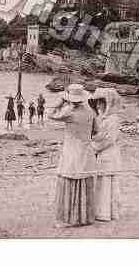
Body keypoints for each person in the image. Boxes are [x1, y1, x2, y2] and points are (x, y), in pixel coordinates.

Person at [49, 84, 97, 227]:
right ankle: (84, 217)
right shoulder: (90, 111)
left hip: (71, 150)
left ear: (70, 98)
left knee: (69, 181)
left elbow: (51, 115)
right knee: (84, 181)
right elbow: (95, 131)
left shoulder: (69, 112)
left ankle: (69, 218)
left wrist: (60, 102)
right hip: (86, 150)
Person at [90, 88, 122, 222]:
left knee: (108, 182)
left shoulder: (113, 119)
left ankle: (108, 213)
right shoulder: (99, 118)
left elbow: (110, 139)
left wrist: (94, 147)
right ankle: (100, 211)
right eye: (97, 103)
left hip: (109, 152)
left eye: (101, 103)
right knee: (101, 183)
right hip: (100, 153)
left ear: (107, 104)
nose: (98, 106)